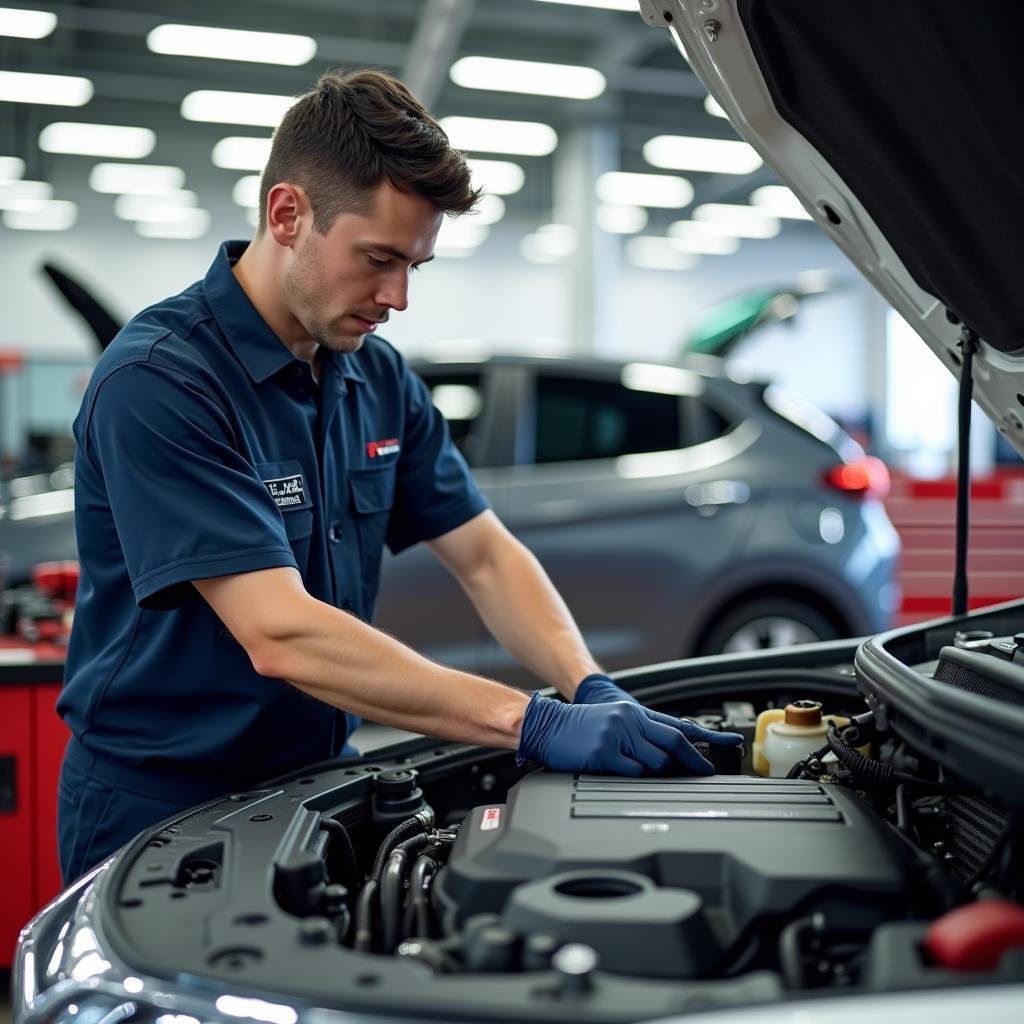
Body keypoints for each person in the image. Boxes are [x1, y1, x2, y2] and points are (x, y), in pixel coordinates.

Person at [56, 69, 741, 883]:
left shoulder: (375, 379)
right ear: (287, 215)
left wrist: (585, 681)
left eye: (416, 264)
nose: (399, 296)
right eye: (379, 258)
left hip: (315, 786)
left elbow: (485, 556)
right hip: (159, 806)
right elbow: (279, 633)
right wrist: (531, 722)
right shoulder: (164, 380)